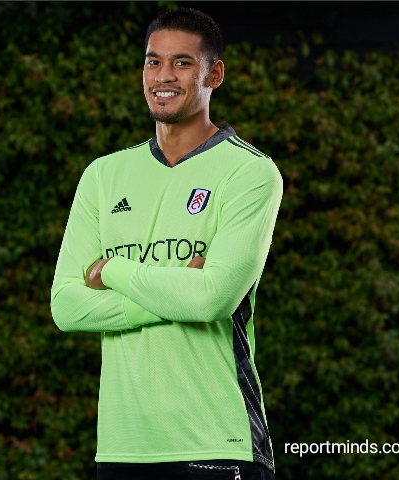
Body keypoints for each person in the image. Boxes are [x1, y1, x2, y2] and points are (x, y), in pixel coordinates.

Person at [50, 7, 282, 480]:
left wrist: (111, 272)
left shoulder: (251, 172)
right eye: (153, 61)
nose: (163, 76)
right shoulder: (103, 175)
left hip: (217, 440)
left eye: (182, 63)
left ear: (214, 74)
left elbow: (212, 299)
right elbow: (67, 307)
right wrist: (176, 291)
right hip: (123, 447)